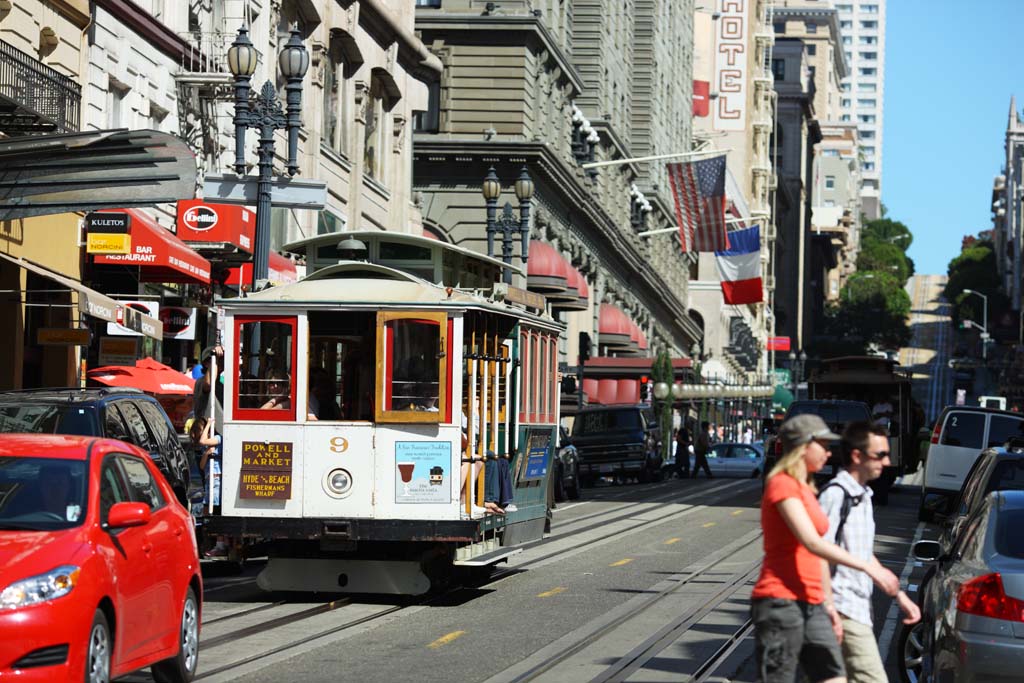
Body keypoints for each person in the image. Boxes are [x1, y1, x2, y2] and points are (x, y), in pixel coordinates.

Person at [751, 414, 901, 683]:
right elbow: (812, 541)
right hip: (780, 600)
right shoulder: (782, 484)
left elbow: (822, 549)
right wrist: (866, 565)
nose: (829, 451)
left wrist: (829, 604)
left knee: (835, 678)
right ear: (802, 446)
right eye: (822, 443)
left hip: (813, 601)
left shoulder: (807, 488)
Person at [819, 422, 920, 683]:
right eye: (880, 455)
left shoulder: (863, 496)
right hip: (842, 607)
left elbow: (861, 552)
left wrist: (899, 596)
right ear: (857, 456)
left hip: (859, 608)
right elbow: (816, 552)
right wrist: (828, 608)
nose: (886, 462)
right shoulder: (836, 496)